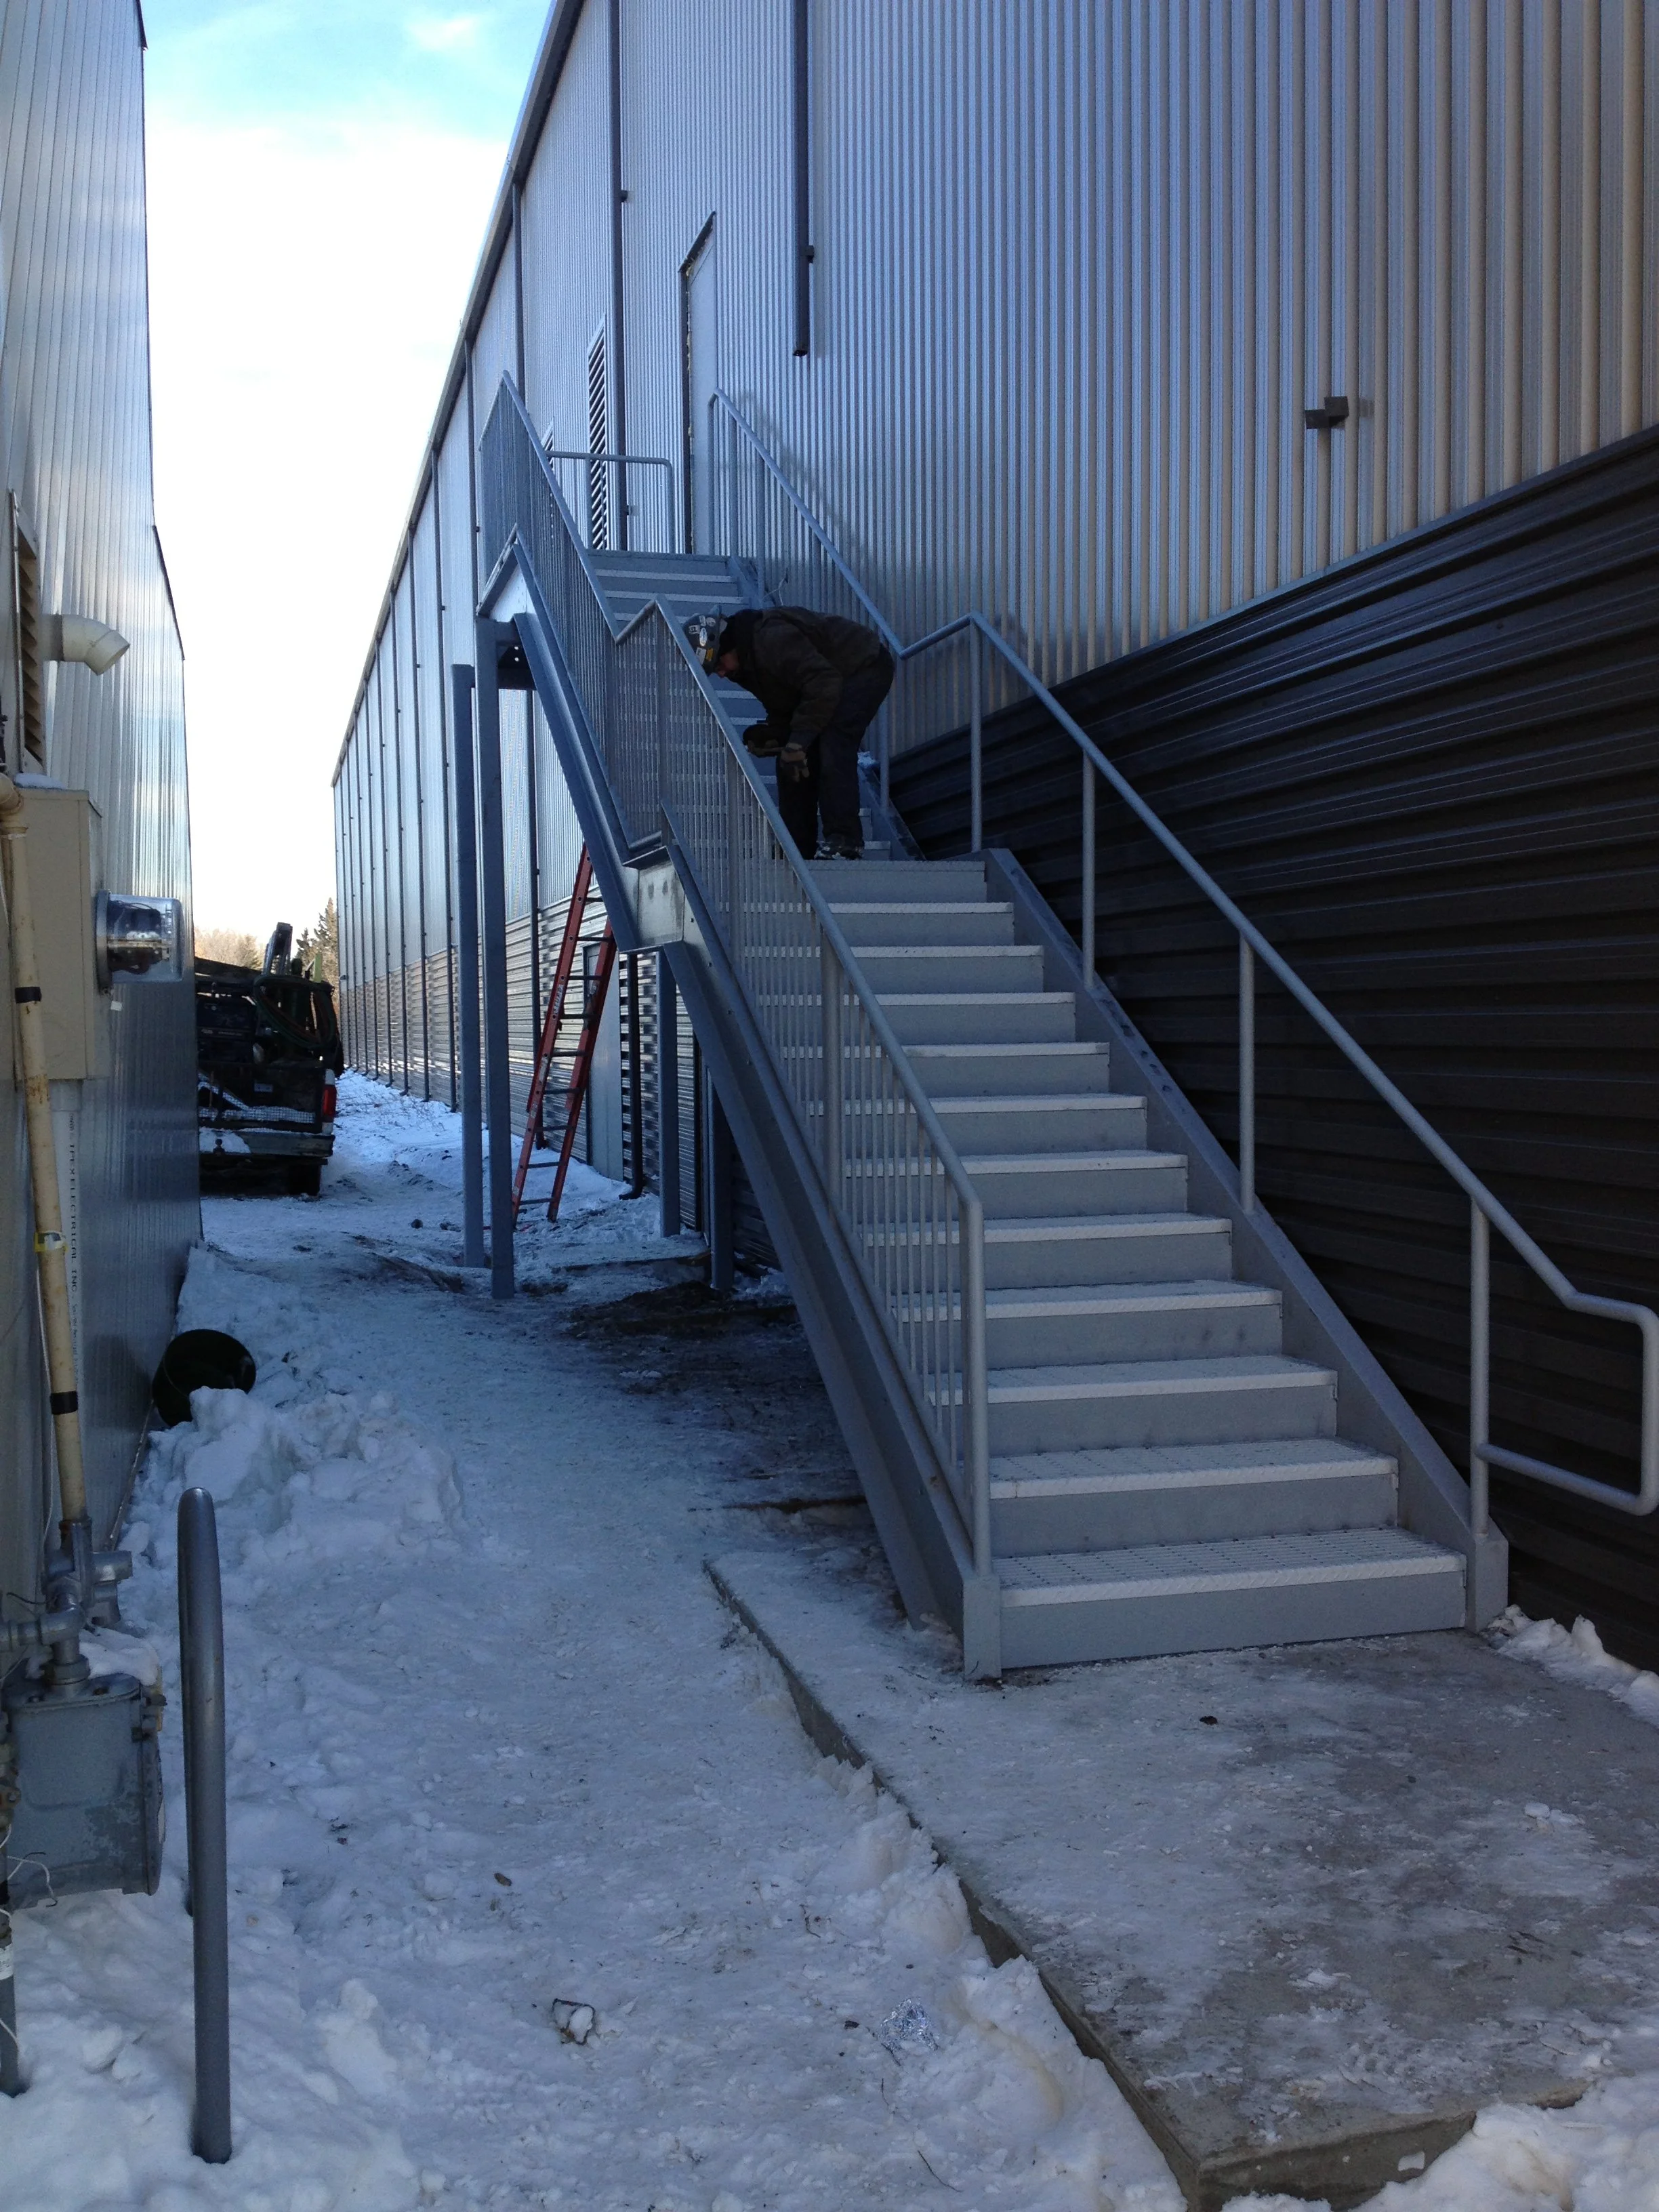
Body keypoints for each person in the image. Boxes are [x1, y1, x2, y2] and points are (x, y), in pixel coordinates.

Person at [691, 606, 895, 860]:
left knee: (833, 739)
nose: (720, 673)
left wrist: (798, 742)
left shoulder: (772, 639)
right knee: (790, 761)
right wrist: (775, 735)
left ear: (728, 645)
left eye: (719, 663)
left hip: (863, 665)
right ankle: (797, 851)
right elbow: (785, 704)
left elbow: (823, 683)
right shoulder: (742, 666)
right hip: (826, 682)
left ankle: (845, 840)